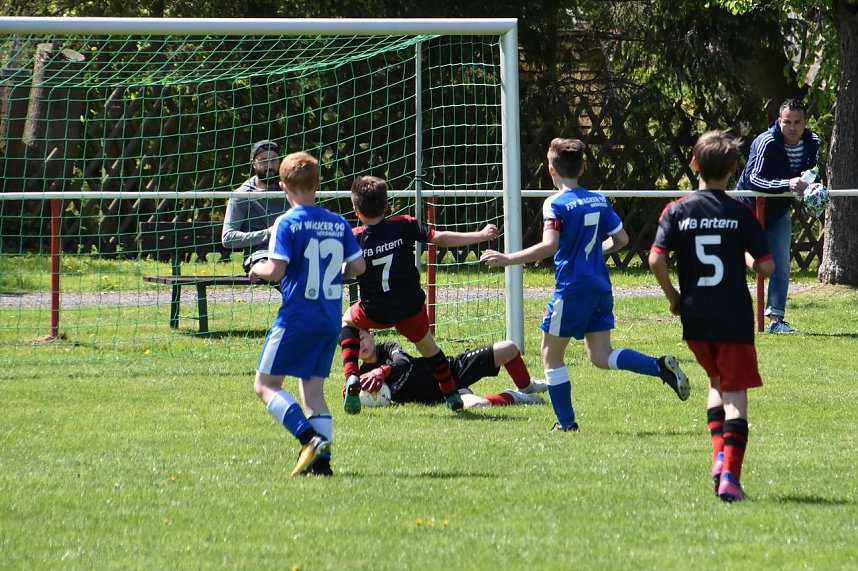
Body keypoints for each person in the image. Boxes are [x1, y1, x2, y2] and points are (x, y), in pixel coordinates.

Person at [480, 137, 690, 433]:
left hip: (572, 288)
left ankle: (566, 425)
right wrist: (594, 251)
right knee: (601, 356)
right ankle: (658, 367)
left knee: (550, 355)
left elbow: (549, 246)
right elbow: (622, 240)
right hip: (600, 287)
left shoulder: (555, 203)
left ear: (551, 170)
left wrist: (508, 258)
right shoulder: (598, 199)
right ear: (581, 169)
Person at [649, 130, 774, 502]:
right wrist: (750, 258)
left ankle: (718, 456)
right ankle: (730, 477)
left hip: (696, 317)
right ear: (734, 168)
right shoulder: (741, 212)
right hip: (733, 317)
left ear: (694, 164)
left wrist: (673, 296)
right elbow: (766, 268)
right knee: (735, 394)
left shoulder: (677, 210)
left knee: (716, 382)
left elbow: (656, 258)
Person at [339, 175, 503, 414]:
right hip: (409, 307)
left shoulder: (354, 237)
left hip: (375, 309)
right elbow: (439, 237)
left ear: (355, 209)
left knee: (347, 321)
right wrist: (479, 235)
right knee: (430, 350)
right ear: (387, 205)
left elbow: (346, 268)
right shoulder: (404, 223)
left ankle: (351, 375)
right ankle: (450, 393)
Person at [248, 151, 365, 477]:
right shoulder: (337, 222)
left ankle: (308, 438)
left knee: (265, 385)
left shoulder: (286, 222)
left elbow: (276, 268)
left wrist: (258, 267)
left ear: (283, 185)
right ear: (317, 183)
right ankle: (323, 466)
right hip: (329, 318)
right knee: (312, 392)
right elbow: (358, 267)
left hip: (297, 317)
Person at [736, 99, 820, 334]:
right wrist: (788, 183)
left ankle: (776, 320)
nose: (792, 128)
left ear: (805, 122)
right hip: (748, 208)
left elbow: (813, 170)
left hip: (779, 211)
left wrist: (812, 185)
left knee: (781, 263)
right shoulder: (766, 142)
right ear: (778, 121)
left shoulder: (812, 142)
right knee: (734, 262)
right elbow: (753, 179)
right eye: (787, 122)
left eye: (797, 122)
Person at [356, 329, 548, 408]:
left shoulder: (388, 347)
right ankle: (515, 396)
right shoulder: (362, 376)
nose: (360, 345)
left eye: (362, 337)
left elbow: (403, 361)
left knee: (509, 348)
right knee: (477, 405)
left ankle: (527, 386)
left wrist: (381, 371)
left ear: (371, 335)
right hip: (443, 395)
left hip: (452, 369)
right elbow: (355, 398)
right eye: (354, 344)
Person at [222, 139, 290, 275]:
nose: (270, 165)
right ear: (253, 163)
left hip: (290, 252)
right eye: (263, 160)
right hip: (260, 256)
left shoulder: (290, 190)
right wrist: (268, 233)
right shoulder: (241, 195)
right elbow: (228, 238)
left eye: (274, 160)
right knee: (281, 270)